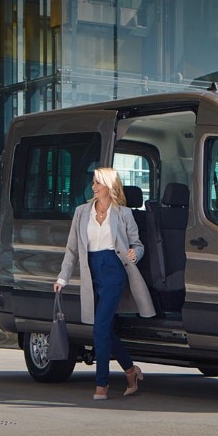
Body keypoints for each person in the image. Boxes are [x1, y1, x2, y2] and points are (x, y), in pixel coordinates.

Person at [54, 167, 157, 400]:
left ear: (109, 186)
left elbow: (138, 244)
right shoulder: (81, 212)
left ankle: (102, 384)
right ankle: (131, 371)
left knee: (99, 328)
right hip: (90, 272)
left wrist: (134, 254)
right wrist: (63, 278)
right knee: (104, 330)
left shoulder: (123, 213)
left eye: (98, 183)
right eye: (93, 182)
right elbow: (72, 249)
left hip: (113, 271)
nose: (94, 187)